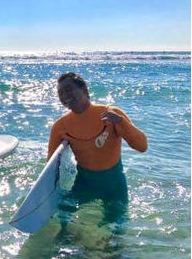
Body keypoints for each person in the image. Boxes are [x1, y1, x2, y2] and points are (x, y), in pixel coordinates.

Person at [48, 72, 147, 224]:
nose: (64, 95)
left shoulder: (112, 114)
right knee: (62, 217)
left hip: (115, 186)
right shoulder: (60, 126)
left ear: (85, 90)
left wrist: (121, 122)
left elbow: (142, 146)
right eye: (60, 93)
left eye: (68, 89)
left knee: (117, 231)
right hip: (84, 184)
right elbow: (51, 165)